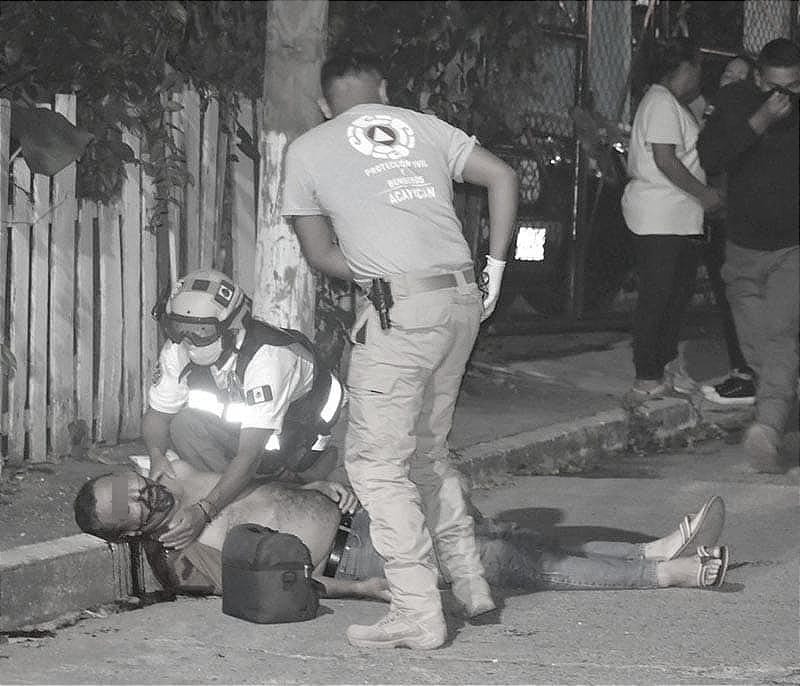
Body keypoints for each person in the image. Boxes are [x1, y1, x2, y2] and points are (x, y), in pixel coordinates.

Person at [281, 51, 519, 649]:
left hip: (401, 312)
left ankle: (416, 610)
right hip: (460, 300)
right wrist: (494, 267)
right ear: (383, 90)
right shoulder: (426, 127)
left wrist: (380, 274)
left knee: (376, 465)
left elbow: (320, 254)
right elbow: (502, 177)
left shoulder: (307, 149)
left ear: (324, 103)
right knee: (427, 454)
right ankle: (470, 584)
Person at [73, 459, 730, 606]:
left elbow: (270, 481)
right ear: (127, 531)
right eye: (127, 505)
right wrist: (365, 589)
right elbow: (265, 584)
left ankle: (650, 549)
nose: (140, 492)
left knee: (504, 539)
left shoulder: (191, 478)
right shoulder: (179, 556)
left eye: (129, 483)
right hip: (359, 556)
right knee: (505, 560)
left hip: (365, 512)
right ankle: (664, 571)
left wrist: (324, 482)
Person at [142, 268, 350, 551]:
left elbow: (250, 455)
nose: (188, 340)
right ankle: (246, 494)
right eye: (179, 328)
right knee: (183, 424)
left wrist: (204, 511)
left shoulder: (268, 358)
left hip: (317, 447)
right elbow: (157, 415)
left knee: (331, 505)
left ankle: (287, 491)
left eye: (202, 330)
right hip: (264, 447)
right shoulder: (178, 349)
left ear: (232, 327)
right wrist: (156, 455)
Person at [698, 38, 800, 473]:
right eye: (775, 87)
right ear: (758, 78)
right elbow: (711, 156)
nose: (784, 98)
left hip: (790, 249)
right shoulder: (736, 102)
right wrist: (759, 121)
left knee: (779, 336)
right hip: (741, 248)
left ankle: (769, 428)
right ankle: (785, 416)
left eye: (794, 87)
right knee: (756, 347)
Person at [621, 37, 726, 401]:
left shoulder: (670, 102)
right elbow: (665, 159)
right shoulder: (661, 102)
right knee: (658, 296)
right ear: (687, 67)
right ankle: (646, 375)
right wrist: (704, 194)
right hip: (660, 216)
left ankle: (663, 366)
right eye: (698, 66)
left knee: (674, 295)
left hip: (677, 217)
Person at [698, 54, 758, 406]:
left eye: (740, 76)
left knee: (742, 299)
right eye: (727, 73)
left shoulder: (749, 123)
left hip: (738, 223)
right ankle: (743, 370)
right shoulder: (711, 113)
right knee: (727, 298)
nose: (730, 80)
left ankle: (747, 374)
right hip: (714, 220)